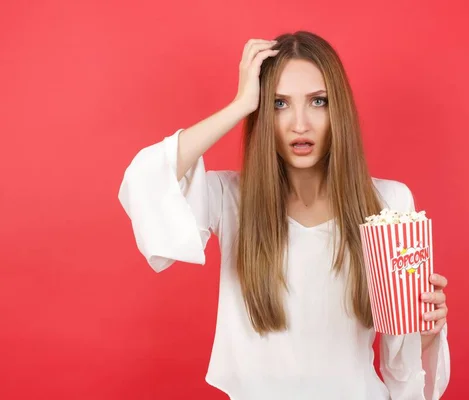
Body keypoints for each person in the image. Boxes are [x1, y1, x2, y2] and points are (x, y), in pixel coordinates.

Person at [118, 31, 450, 400]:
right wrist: (240, 104)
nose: (300, 124)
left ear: (338, 108)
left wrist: (425, 334)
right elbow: (144, 182)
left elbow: (401, 360)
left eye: (318, 101)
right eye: (279, 104)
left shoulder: (387, 202)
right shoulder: (230, 198)